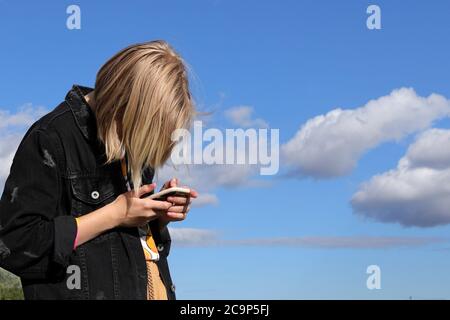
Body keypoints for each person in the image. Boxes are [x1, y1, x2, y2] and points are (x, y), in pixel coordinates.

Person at [0, 40, 198, 300]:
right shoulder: (51, 138)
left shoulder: (127, 144)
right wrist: (114, 215)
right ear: (124, 104)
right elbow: (14, 244)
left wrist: (157, 216)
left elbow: (123, 253)